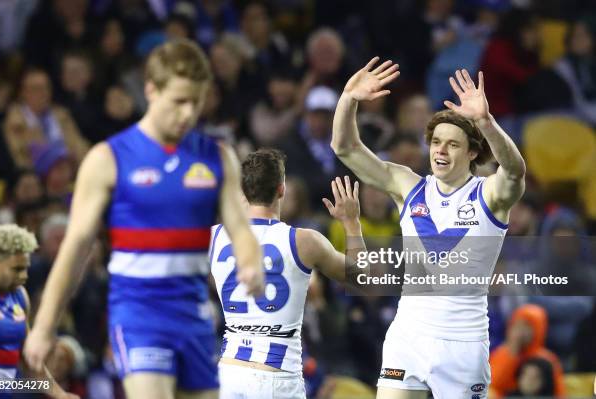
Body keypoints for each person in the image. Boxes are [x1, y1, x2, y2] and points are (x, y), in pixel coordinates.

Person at [23, 39, 265, 399]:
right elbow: (75, 248)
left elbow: (240, 229)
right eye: (179, 101)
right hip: (138, 314)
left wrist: (251, 263)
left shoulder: (219, 158)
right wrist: (44, 327)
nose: (188, 113)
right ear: (151, 90)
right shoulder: (108, 158)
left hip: (194, 315)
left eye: (196, 102)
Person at [331, 57, 526, 398]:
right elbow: (345, 148)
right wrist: (348, 99)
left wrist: (486, 122)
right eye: (436, 142)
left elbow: (514, 172)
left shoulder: (488, 194)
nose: (441, 150)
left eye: (453, 144)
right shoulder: (408, 185)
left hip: (463, 344)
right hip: (408, 336)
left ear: (472, 153)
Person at [209, 149, 366, 399]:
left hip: (228, 374)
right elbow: (363, 279)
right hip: (277, 375)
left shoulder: (214, 237)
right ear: (281, 189)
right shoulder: (305, 241)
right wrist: (351, 223)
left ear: (243, 190)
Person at [0, 224, 77, 399]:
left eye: (26, 267)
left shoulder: (19, 296)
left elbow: (28, 362)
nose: (24, 276)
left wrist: (60, 395)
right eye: (17, 269)